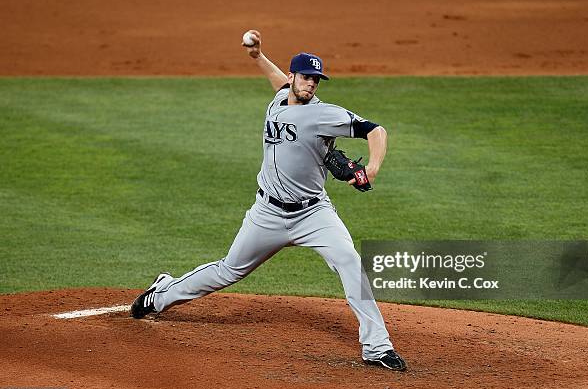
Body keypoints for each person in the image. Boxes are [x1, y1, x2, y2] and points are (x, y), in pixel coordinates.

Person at [130, 30, 406, 371]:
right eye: (306, 78)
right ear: (293, 78)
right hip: (267, 213)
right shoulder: (279, 98)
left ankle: (377, 346)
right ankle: (161, 294)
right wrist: (258, 57)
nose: (311, 85)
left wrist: (373, 168)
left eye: (316, 80)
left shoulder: (324, 114)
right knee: (228, 270)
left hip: (313, 213)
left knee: (349, 261)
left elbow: (375, 130)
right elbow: (278, 83)